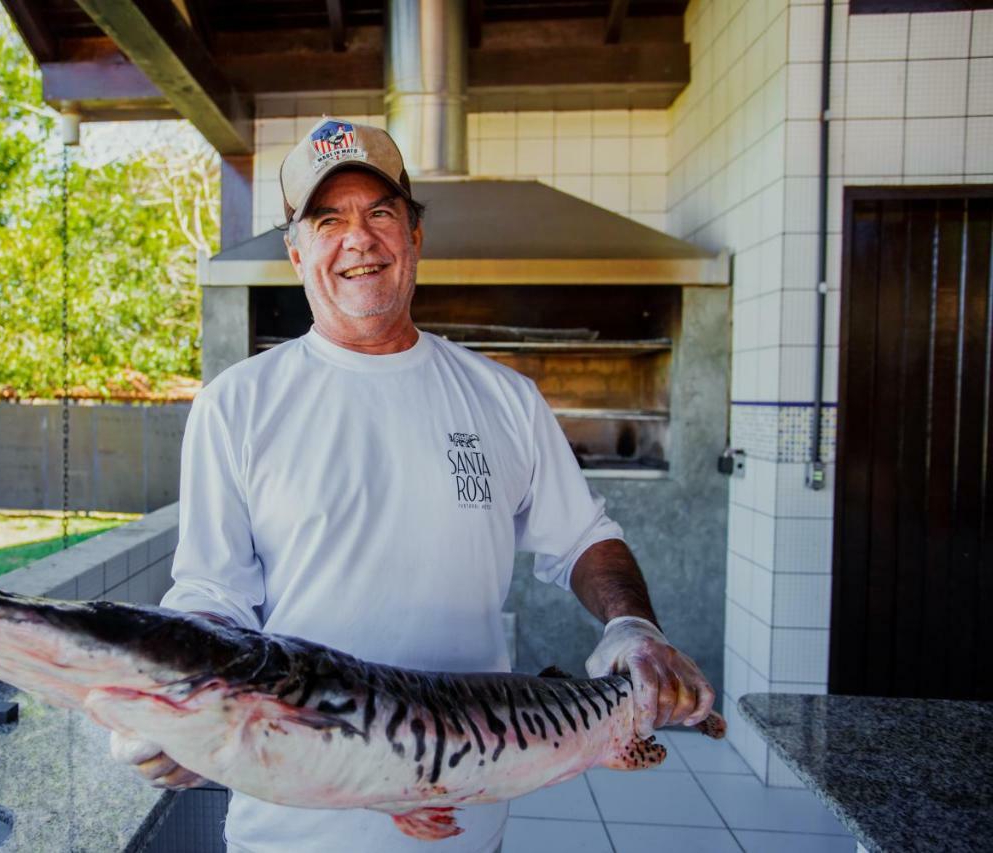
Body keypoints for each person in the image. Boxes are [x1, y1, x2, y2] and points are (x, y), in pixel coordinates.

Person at [118, 118, 715, 853]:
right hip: (293, 829)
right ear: (296, 249)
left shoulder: (504, 398)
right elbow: (212, 594)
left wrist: (633, 626)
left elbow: (586, 537)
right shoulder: (237, 404)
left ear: (414, 235)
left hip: (467, 822)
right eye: (328, 218)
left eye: (379, 213)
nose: (358, 239)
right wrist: (178, 706)